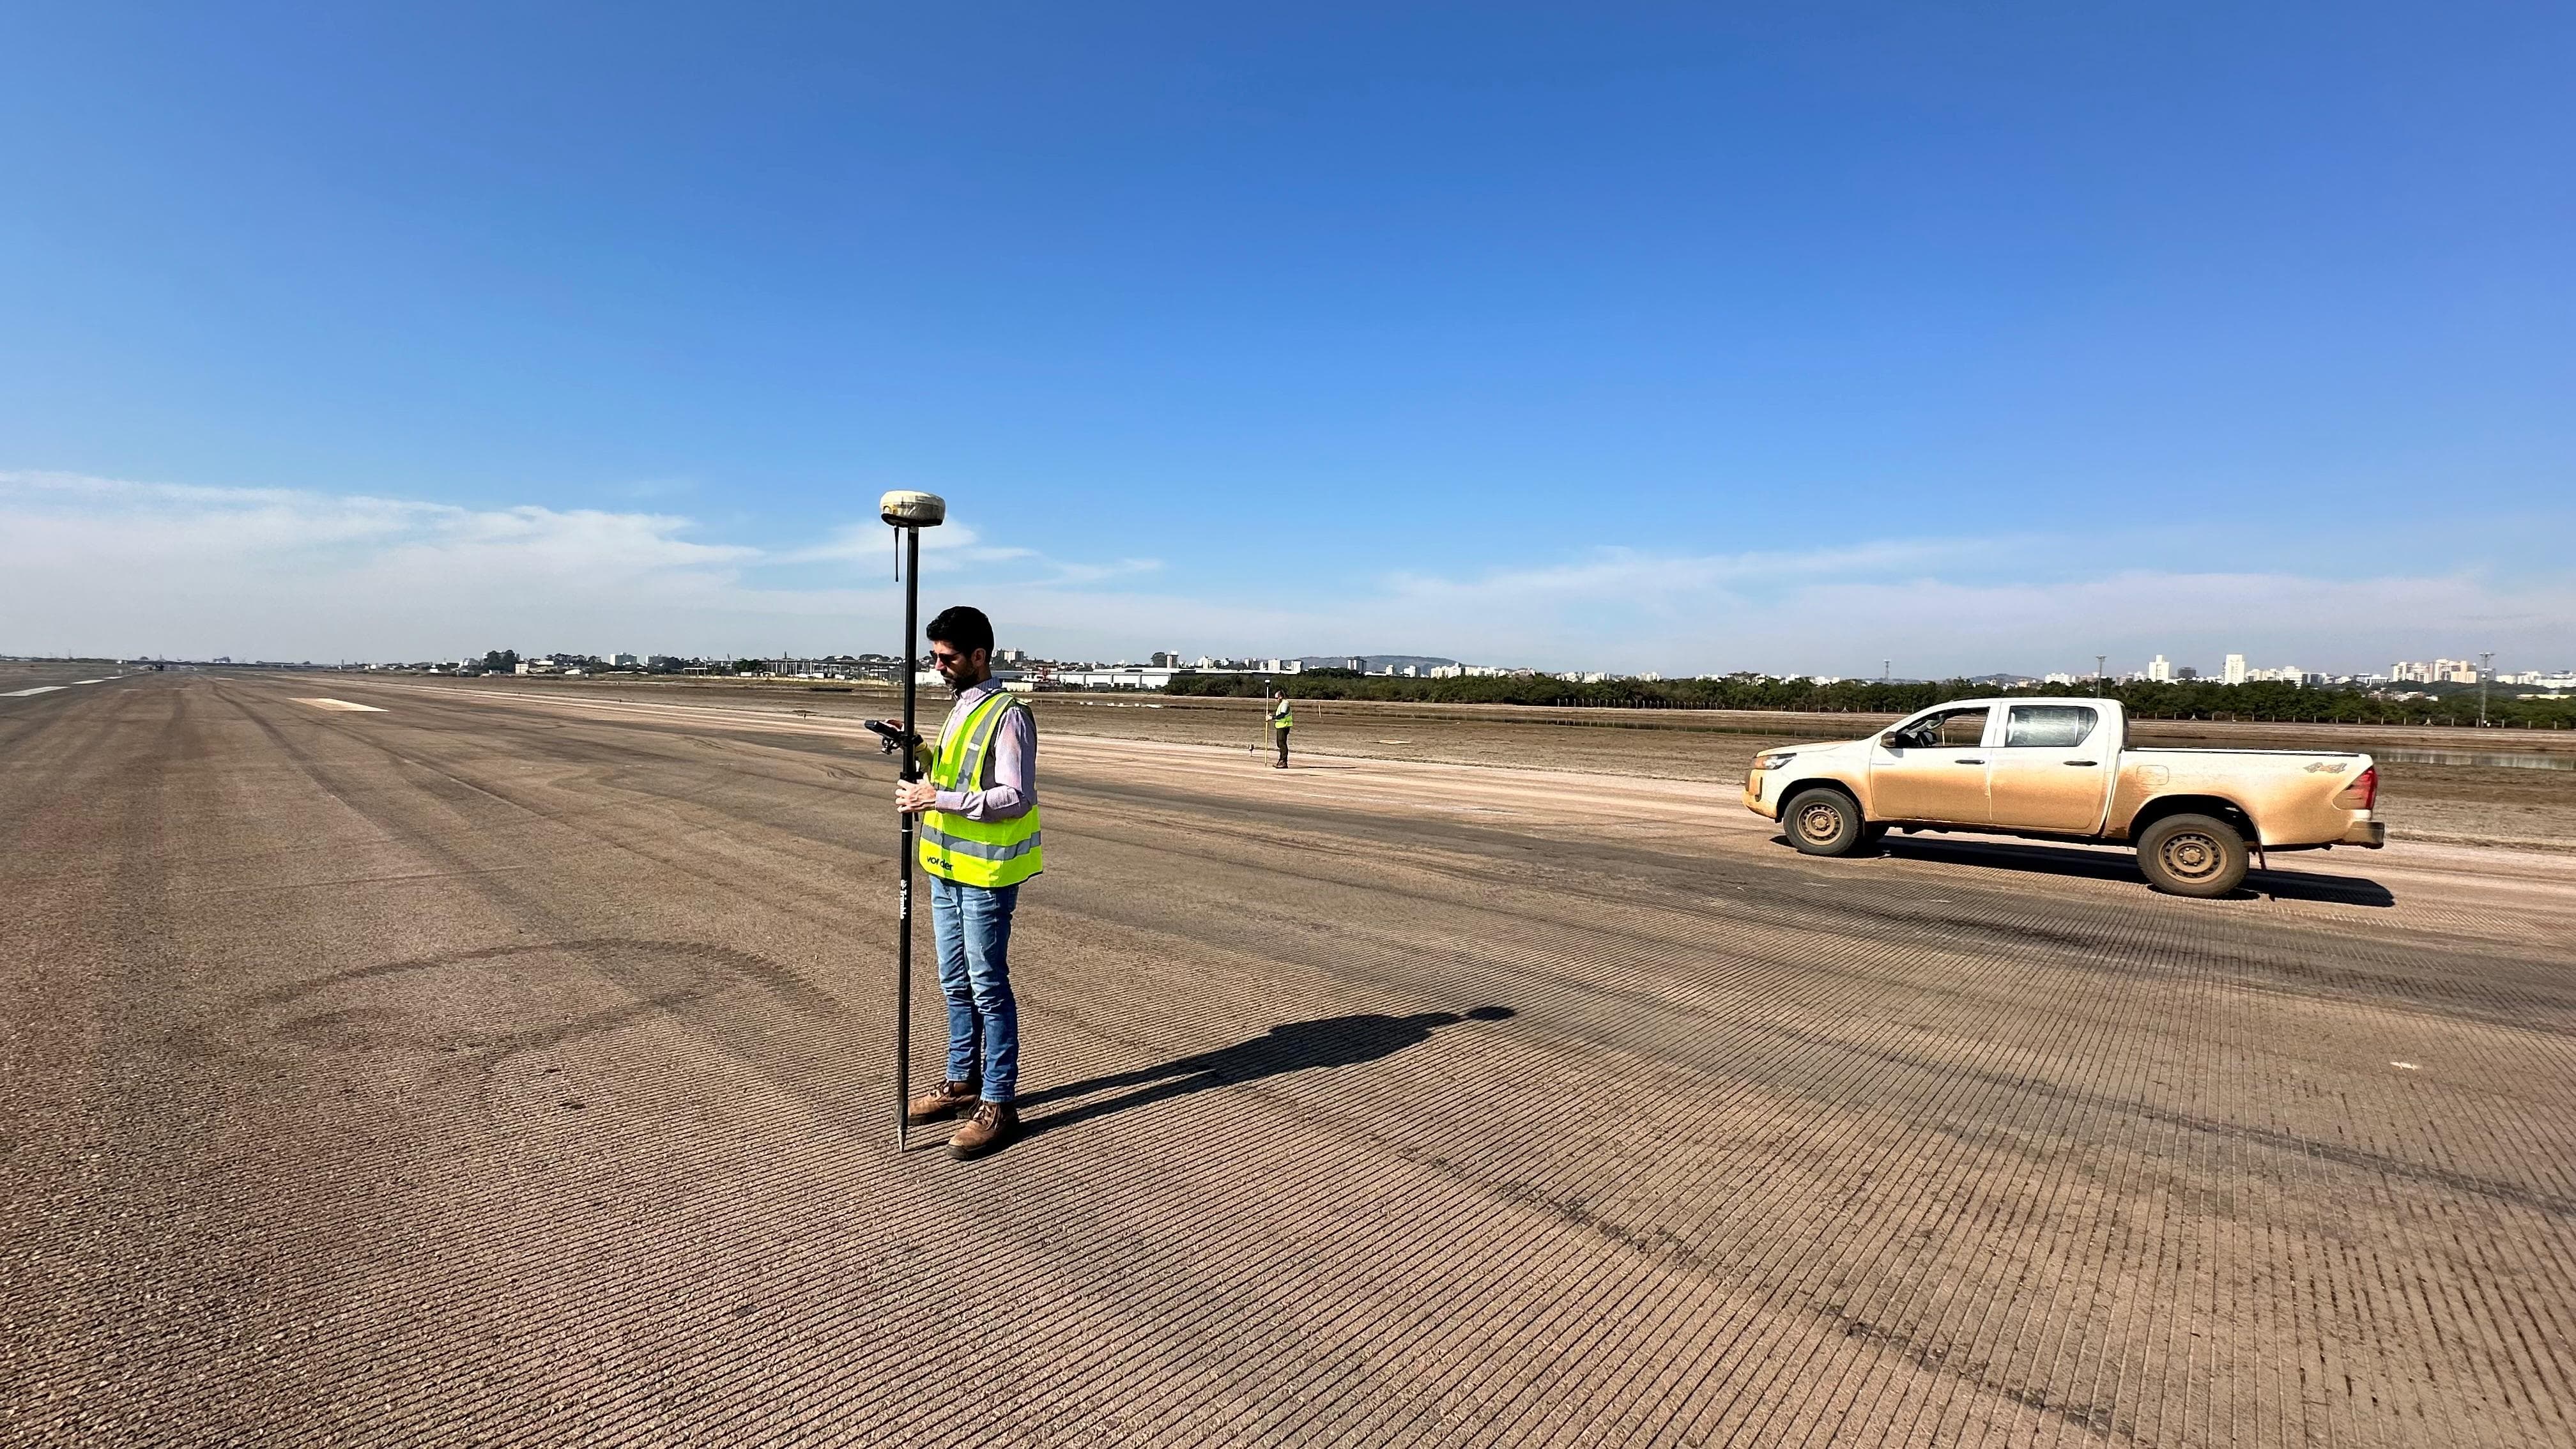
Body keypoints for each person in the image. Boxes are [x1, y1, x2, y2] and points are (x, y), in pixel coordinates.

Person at [891, 605, 1041, 1160]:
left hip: (986, 876)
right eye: (933, 657)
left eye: (948, 658)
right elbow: (954, 769)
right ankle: (962, 1081)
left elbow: (1013, 796)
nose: (938, 667)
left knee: (987, 987)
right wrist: (921, 752)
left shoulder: (1010, 716)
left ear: (980, 656)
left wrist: (935, 797)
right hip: (946, 868)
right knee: (954, 983)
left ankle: (1000, 1102)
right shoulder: (959, 709)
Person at [1269, 691, 1294, 769]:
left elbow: (1282, 715)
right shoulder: (1281, 704)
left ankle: (1284, 761)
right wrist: (1272, 716)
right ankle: (1281, 760)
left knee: (1282, 743)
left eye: (1277, 698)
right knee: (1279, 744)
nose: (1276, 700)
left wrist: (1272, 718)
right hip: (1280, 726)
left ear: (1281, 697)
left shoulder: (1285, 703)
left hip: (1284, 726)